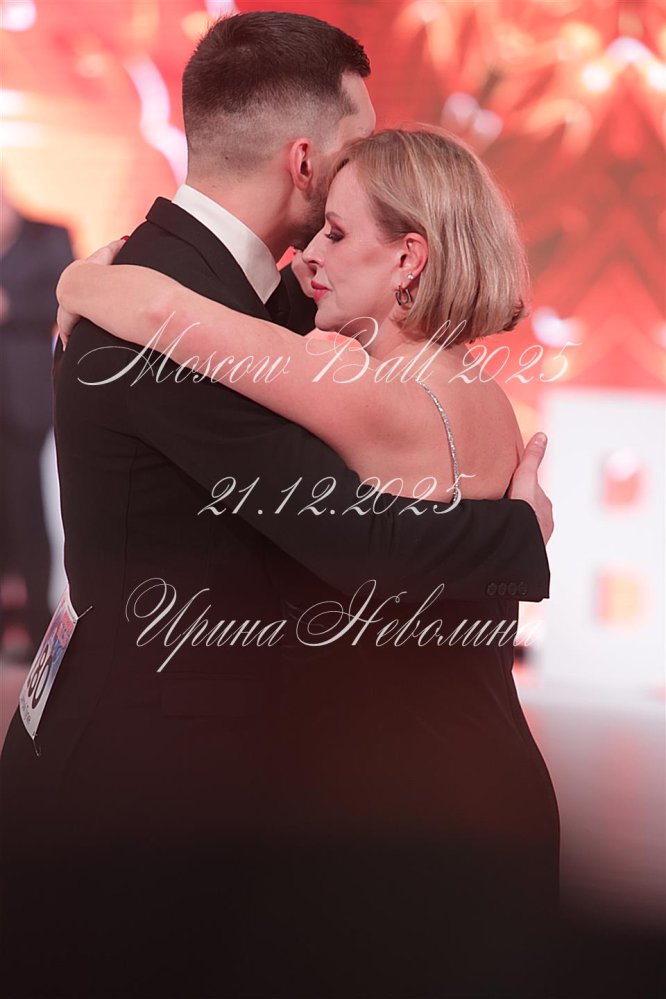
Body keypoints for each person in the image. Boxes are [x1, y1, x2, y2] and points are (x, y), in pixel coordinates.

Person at [0, 13, 554, 999]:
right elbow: (358, 540)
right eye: (350, 149)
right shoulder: (176, 304)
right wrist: (520, 532)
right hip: (146, 793)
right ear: (305, 160)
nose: (346, 192)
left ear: (407, 257)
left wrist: (88, 277)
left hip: (359, 801)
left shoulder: (250, 299)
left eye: (347, 232)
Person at [0, 184, 74, 660]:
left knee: (30, 519)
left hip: (25, 408)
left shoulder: (49, 235)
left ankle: (36, 629)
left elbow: (65, 302)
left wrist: (12, 308)